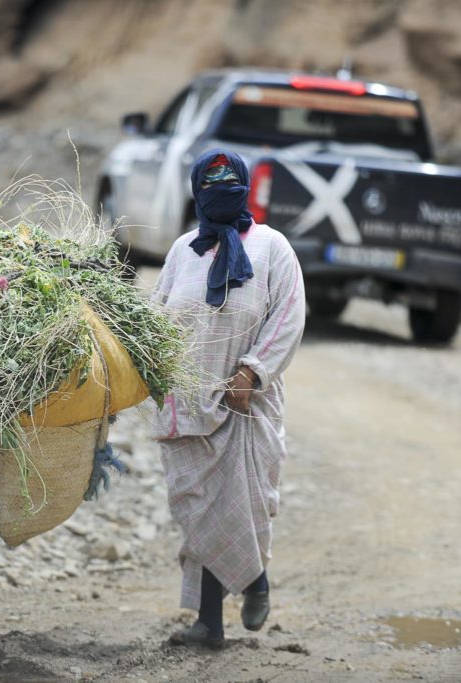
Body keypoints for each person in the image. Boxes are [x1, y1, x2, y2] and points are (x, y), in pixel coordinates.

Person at [151, 148, 306, 649]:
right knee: (199, 513)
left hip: (245, 404)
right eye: (210, 181)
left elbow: (287, 318)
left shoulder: (272, 248)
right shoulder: (182, 251)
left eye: (229, 179)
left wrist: (251, 373)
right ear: (197, 191)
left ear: (243, 187)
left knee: (239, 507)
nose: (220, 188)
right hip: (187, 401)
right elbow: (157, 316)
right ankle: (211, 623)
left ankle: (255, 582)